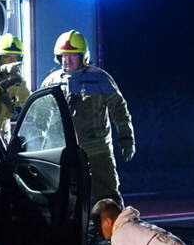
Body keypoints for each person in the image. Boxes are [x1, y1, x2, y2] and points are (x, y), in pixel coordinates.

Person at [41, 30, 134, 206]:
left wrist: (126, 138)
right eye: (63, 56)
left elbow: (120, 111)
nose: (67, 61)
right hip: (63, 152)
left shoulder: (100, 79)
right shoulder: (51, 81)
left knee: (107, 200)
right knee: (66, 200)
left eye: (73, 56)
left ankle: (112, 232)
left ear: (83, 56)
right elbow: (41, 118)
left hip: (97, 152)